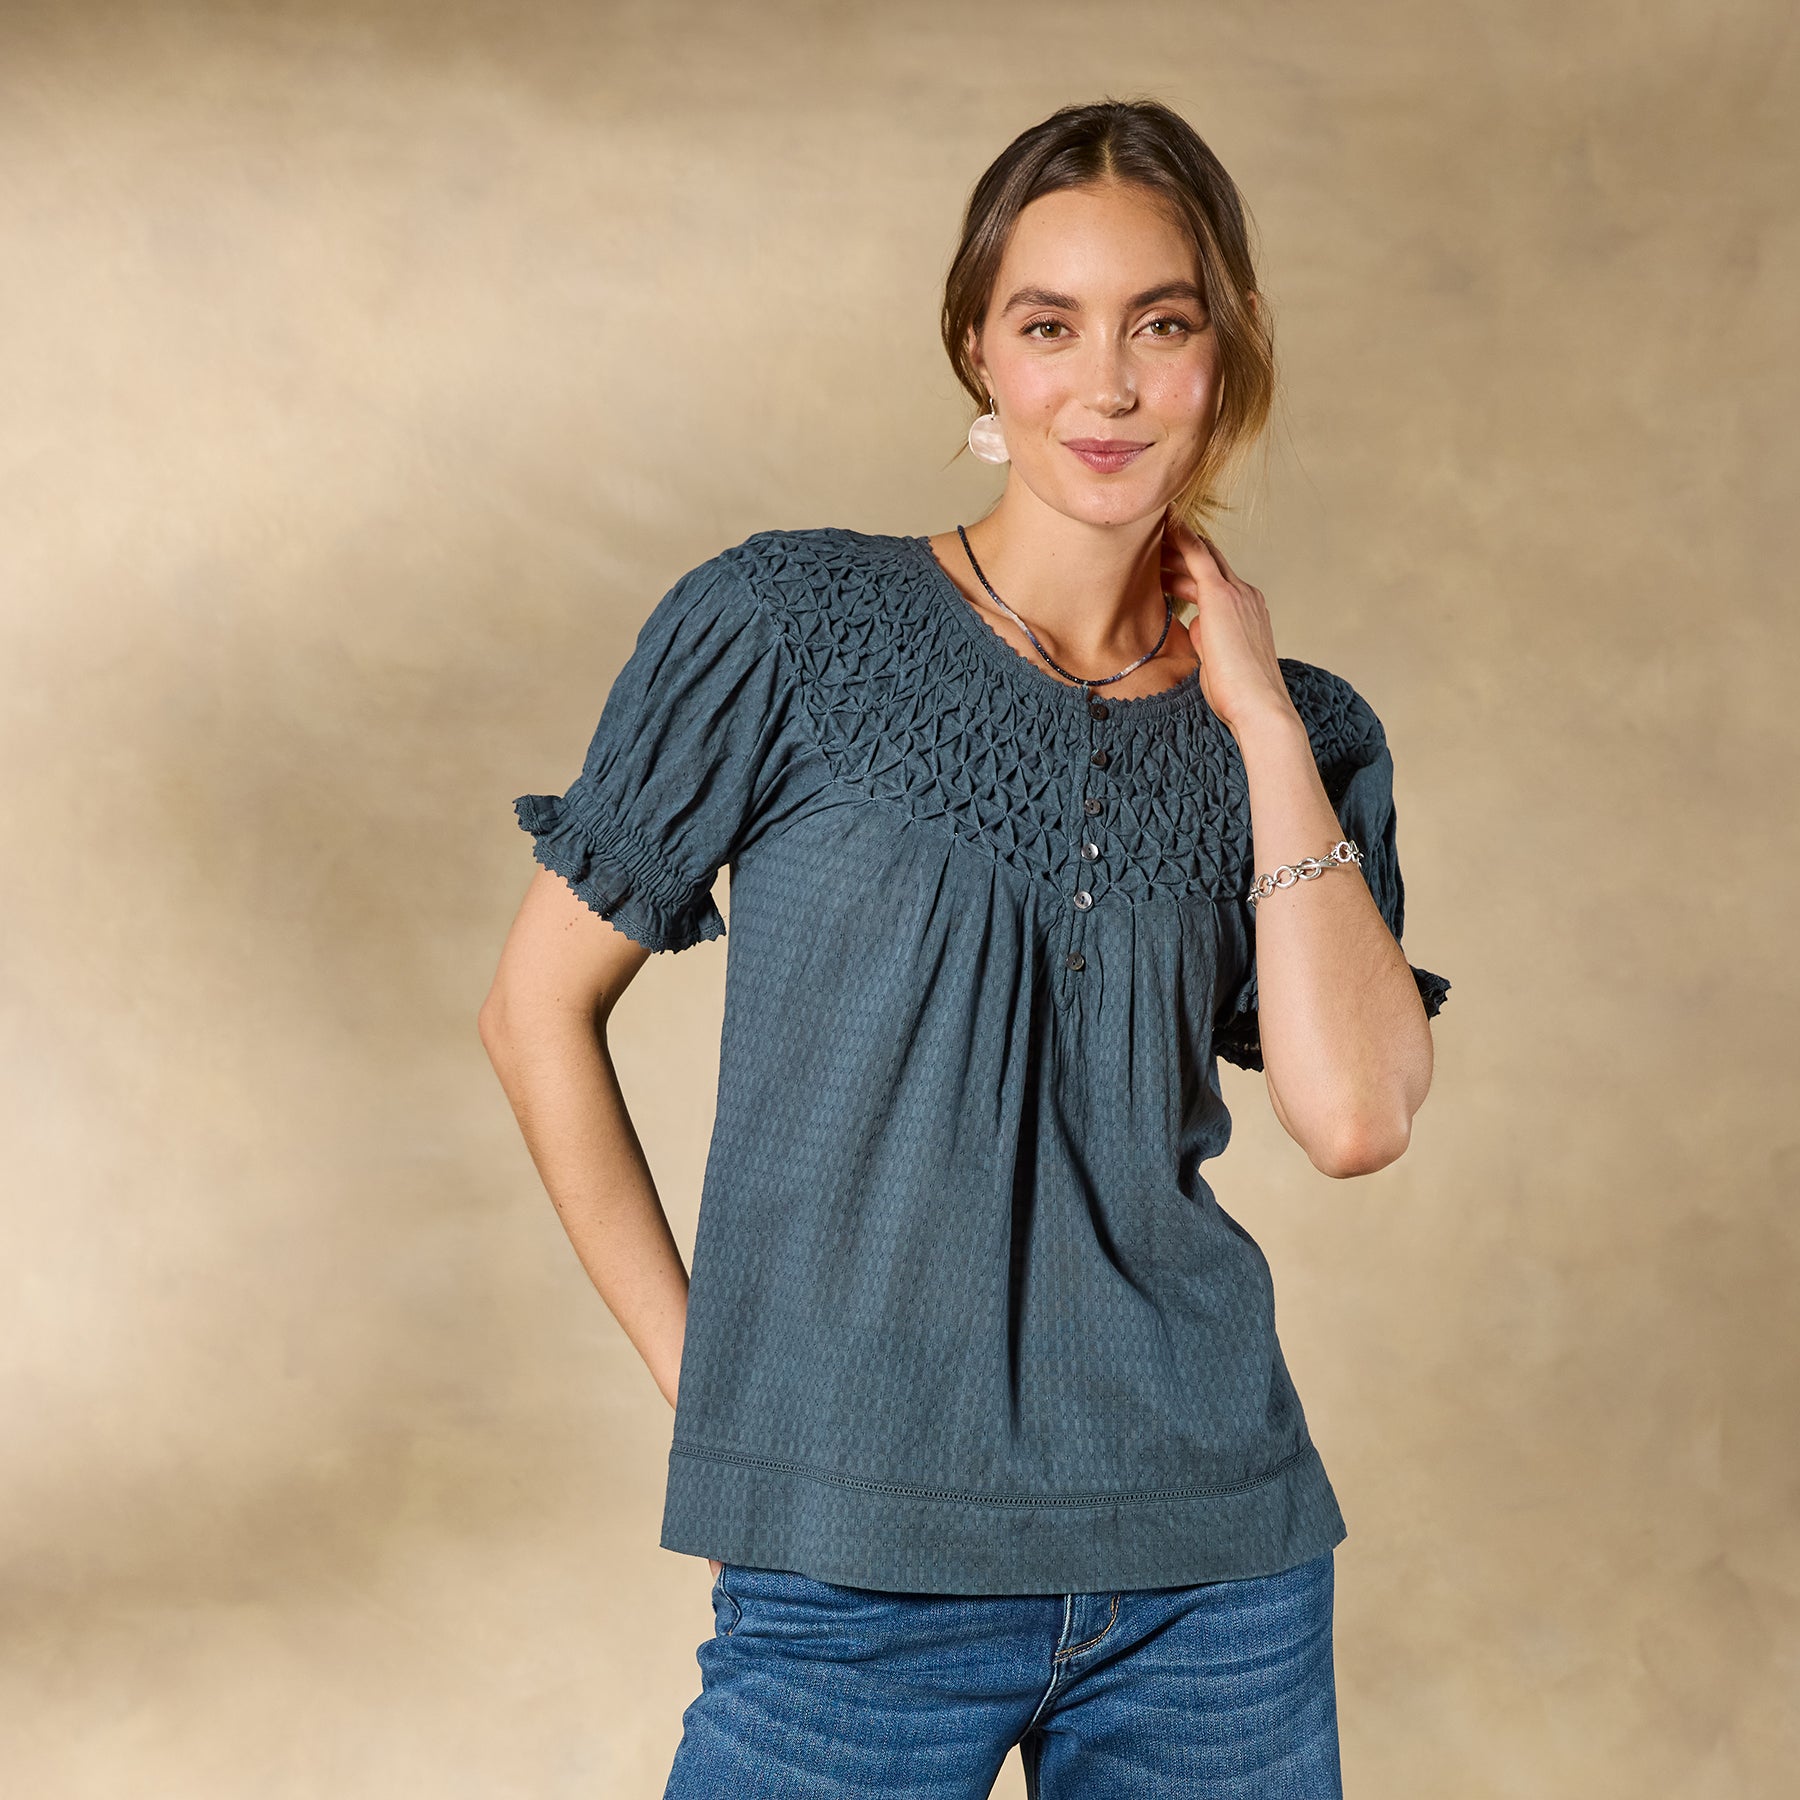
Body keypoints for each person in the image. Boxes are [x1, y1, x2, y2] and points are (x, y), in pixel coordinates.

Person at [479, 95, 1449, 1800]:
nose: (1109, 385)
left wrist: (1260, 720)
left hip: (1210, 1579)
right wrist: (723, 1397)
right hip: (850, 1577)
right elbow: (533, 1011)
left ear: (1226, 357)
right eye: (1050, 326)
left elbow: (1356, 1117)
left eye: (1162, 325)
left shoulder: (1306, 731)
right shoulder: (785, 627)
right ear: (978, 357)